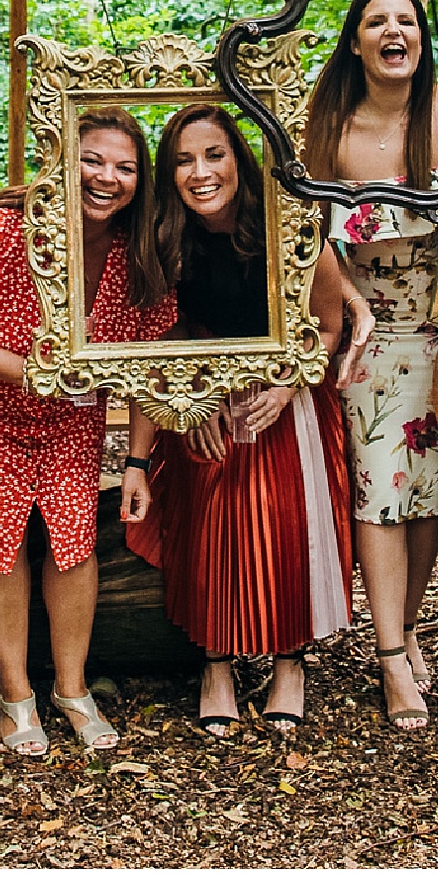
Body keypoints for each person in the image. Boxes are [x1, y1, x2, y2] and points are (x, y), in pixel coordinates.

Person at [0, 107, 176, 756]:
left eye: (123, 167)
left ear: (139, 181)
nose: (106, 177)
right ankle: (15, 694)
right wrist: (26, 373)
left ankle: (71, 687)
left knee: (73, 537)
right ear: (64, 159)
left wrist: (139, 464)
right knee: (1, 537)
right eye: (93, 160)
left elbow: (148, 367)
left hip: (69, 413)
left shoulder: (138, 249)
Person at [123, 104, 353, 735]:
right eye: (183, 161)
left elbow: (330, 328)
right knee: (209, 523)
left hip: (286, 397)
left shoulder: (289, 227)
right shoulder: (164, 242)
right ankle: (217, 664)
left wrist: (285, 386)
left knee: (286, 523)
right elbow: (152, 353)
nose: (200, 172)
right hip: (198, 401)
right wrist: (145, 451)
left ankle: (289, 662)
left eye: (213, 154)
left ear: (239, 160)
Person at [303, 0, 438, 733]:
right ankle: (392, 657)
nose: (393, 31)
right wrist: (348, 299)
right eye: (377, 21)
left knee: (432, 492)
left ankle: (405, 626)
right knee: (380, 490)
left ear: (421, 38)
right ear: (357, 41)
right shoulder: (331, 124)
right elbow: (302, 226)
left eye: (406, 20)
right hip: (372, 331)